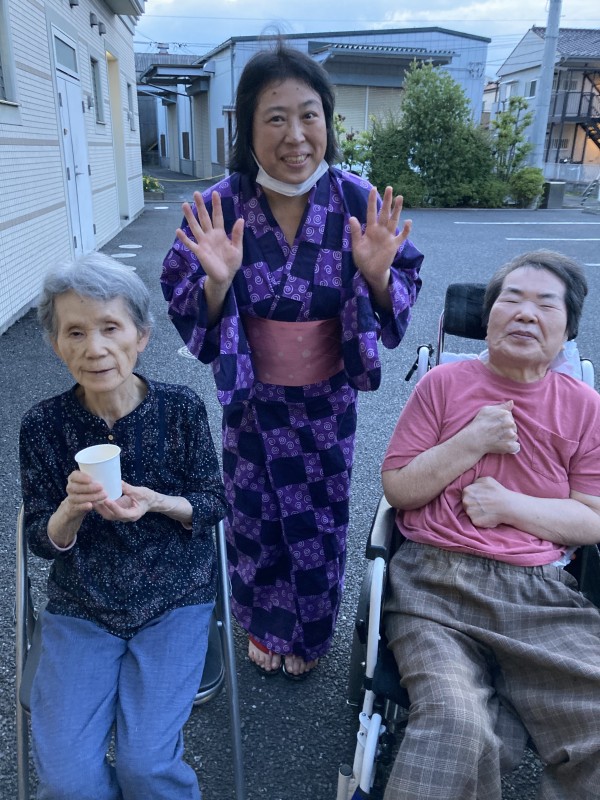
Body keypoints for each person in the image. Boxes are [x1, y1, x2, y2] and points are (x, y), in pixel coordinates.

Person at [161, 43, 423, 679]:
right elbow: (182, 294)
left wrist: (377, 275)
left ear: (328, 120)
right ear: (247, 126)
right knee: (253, 515)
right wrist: (218, 282)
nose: (296, 135)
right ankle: (261, 623)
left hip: (327, 401)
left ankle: (307, 631)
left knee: (321, 520)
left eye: (310, 114)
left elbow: (402, 284)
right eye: (275, 117)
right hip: (254, 399)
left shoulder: (358, 200)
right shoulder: (220, 208)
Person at [381, 250, 600, 800]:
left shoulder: (585, 408)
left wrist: (508, 507)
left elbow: (593, 518)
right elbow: (399, 488)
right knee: (455, 725)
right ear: (489, 316)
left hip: (541, 598)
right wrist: (471, 441)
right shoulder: (443, 385)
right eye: (512, 299)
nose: (526, 313)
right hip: (435, 584)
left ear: (568, 329)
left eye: (546, 305)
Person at [19, 253, 228, 800]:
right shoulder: (42, 426)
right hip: (82, 603)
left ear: (142, 336)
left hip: (174, 597)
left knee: (146, 766)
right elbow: (40, 538)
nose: (94, 348)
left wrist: (159, 503)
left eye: (110, 327)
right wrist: (69, 511)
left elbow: (212, 503)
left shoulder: (180, 409)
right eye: (75, 332)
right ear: (56, 344)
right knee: (67, 781)